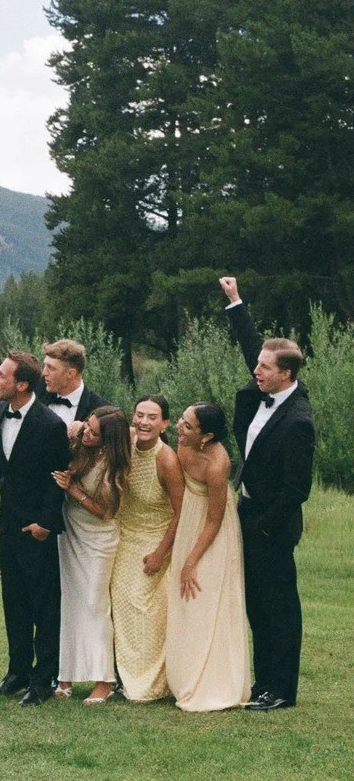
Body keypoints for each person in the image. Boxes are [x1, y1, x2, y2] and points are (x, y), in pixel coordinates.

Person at [221, 276, 313, 711]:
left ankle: (282, 690)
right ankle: (263, 682)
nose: (256, 370)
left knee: (280, 609)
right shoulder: (266, 387)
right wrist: (236, 303)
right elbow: (253, 346)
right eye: (258, 365)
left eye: (264, 368)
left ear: (287, 375)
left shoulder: (298, 422)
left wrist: (259, 526)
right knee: (257, 606)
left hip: (272, 526)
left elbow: (298, 490)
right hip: (250, 512)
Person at [0, 350, 70, 706]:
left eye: (2, 375)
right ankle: (17, 672)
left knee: (43, 603)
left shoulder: (50, 425)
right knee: (13, 600)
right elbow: (5, 464)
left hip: (37, 527)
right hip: (7, 521)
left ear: (22, 384)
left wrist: (46, 524)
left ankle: (43, 679)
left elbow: (57, 479)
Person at [167, 401, 251, 711]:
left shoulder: (218, 464)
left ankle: (214, 682)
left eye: (188, 425)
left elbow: (214, 521)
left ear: (207, 436)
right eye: (182, 420)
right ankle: (183, 673)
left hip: (212, 532)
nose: (180, 427)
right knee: (184, 601)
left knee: (206, 598)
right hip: (189, 519)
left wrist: (191, 561)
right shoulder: (182, 444)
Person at [51, 405, 129, 704]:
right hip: (70, 532)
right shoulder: (79, 446)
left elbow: (106, 512)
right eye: (87, 426)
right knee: (69, 603)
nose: (87, 433)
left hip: (98, 539)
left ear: (109, 439)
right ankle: (65, 676)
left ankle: (104, 680)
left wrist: (72, 489)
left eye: (94, 433)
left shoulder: (115, 464)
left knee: (94, 604)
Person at [111, 394, 183, 702]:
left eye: (152, 417)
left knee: (145, 612)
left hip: (154, 542)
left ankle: (149, 682)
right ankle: (121, 677)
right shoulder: (126, 441)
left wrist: (160, 554)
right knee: (120, 609)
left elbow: (181, 513)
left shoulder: (166, 460)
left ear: (164, 423)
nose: (144, 422)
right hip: (122, 538)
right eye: (139, 415)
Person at [0, 312, 111, 430]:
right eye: (44, 365)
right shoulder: (38, 387)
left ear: (71, 373)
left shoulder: (101, 410)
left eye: (51, 368)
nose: (44, 372)